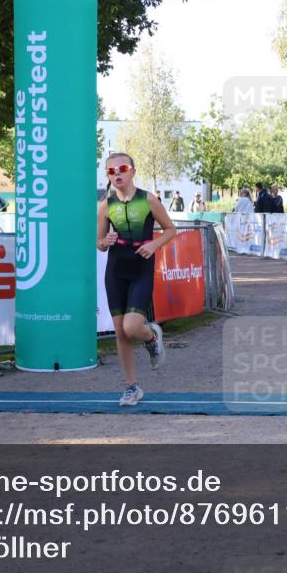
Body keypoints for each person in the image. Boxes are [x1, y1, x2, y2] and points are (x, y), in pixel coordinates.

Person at [98, 152, 176, 406]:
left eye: (121, 169)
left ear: (132, 171)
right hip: (116, 268)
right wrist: (104, 241)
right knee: (121, 331)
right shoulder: (105, 205)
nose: (117, 174)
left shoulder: (149, 199)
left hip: (142, 265)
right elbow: (99, 243)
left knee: (133, 327)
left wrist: (154, 245)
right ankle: (131, 387)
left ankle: (152, 338)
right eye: (111, 171)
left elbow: (170, 229)